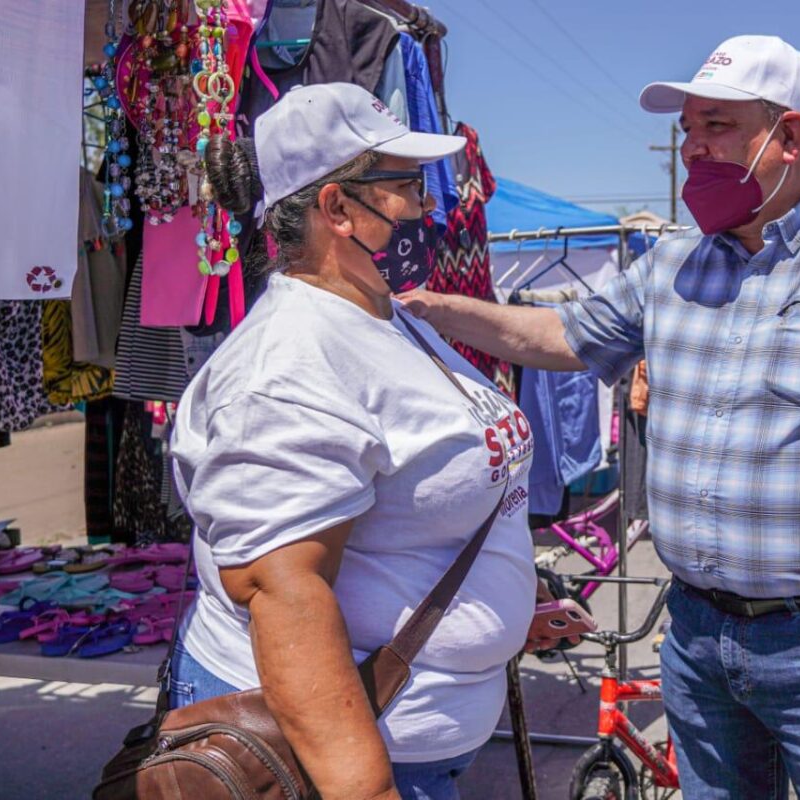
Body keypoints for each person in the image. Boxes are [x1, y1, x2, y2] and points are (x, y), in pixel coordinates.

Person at [402, 35, 800, 798]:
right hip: (697, 636)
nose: (693, 147)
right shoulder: (670, 265)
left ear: (788, 136)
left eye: (717, 126)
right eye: (687, 129)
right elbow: (564, 336)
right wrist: (435, 310)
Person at [168, 83, 546, 800]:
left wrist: (509, 602)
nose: (428, 208)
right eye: (407, 186)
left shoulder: (385, 317)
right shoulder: (285, 369)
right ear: (338, 208)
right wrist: (367, 790)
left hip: (420, 740)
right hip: (343, 762)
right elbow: (284, 592)